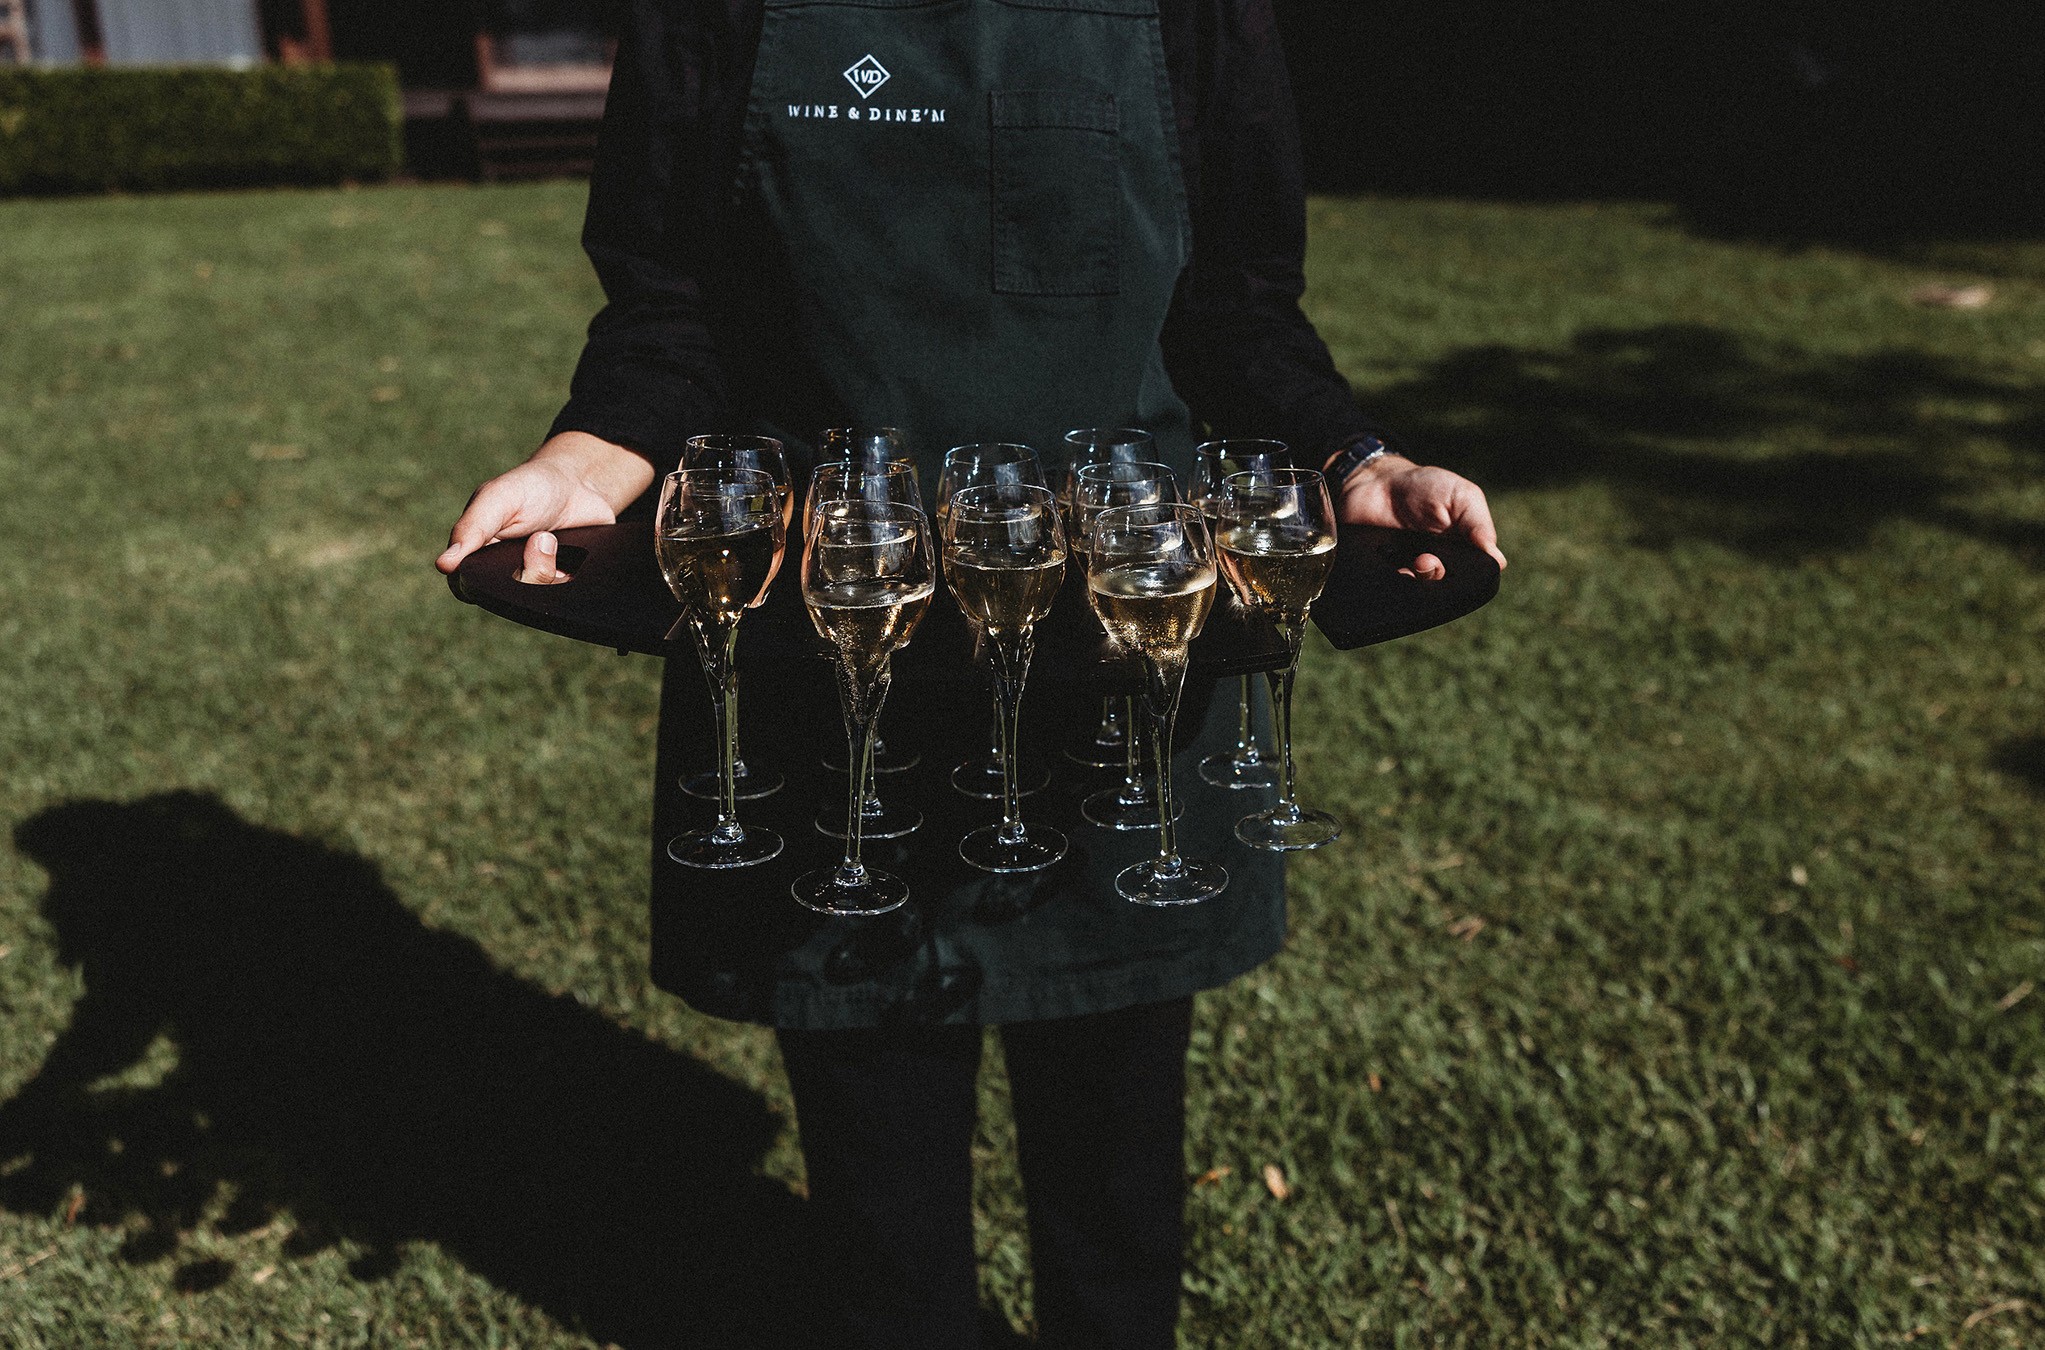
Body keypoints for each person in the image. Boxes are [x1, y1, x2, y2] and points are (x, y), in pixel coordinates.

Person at [437, 1, 1506, 1345]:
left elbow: (1239, 310)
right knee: (878, 1199)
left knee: (1115, 1177)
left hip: (1124, 662)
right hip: (824, 654)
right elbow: (671, 308)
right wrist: (590, 455)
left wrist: (1355, 458)